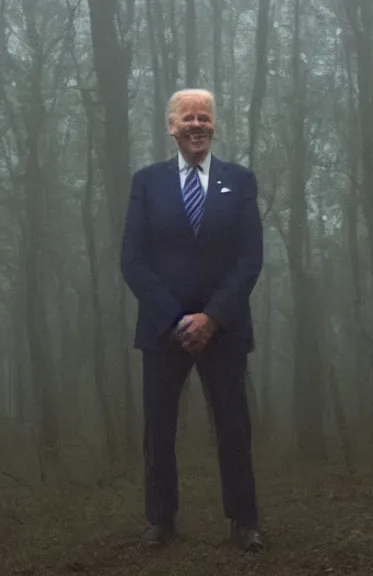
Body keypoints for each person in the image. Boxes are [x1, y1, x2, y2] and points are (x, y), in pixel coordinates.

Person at [120, 88, 264, 551]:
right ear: (171, 127)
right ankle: (160, 520)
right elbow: (133, 259)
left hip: (224, 329)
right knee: (158, 431)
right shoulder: (147, 182)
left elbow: (250, 258)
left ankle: (244, 522)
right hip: (165, 330)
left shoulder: (240, 181)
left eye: (204, 117)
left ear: (214, 125)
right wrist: (178, 319)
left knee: (234, 428)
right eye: (188, 118)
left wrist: (213, 318)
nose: (197, 124)